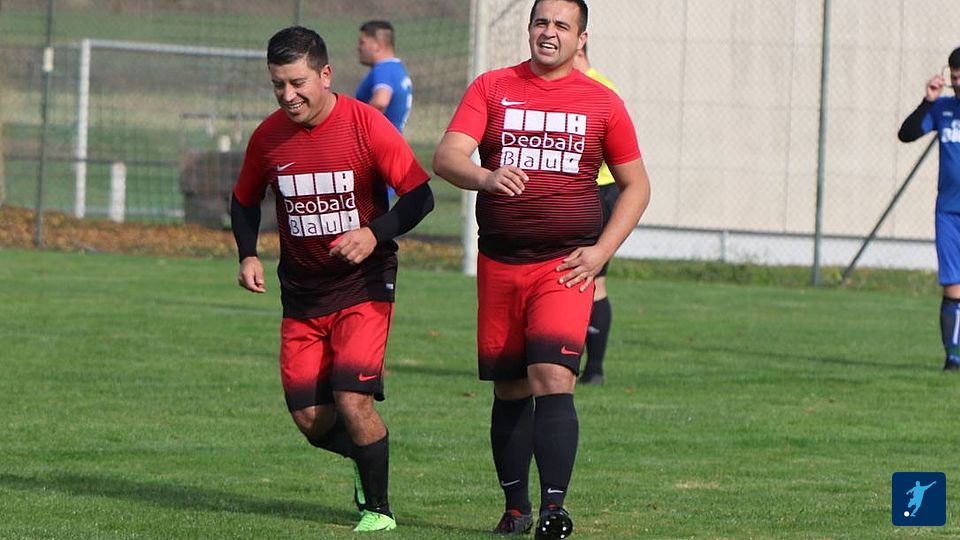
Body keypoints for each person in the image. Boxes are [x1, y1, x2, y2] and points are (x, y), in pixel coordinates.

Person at [432, 1, 651, 538]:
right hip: (500, 264)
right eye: (541, 23)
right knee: (510, 388)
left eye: (561, 26)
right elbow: (448, 156)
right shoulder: (491, 88)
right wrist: (485, 178)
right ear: (530, 29)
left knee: (552, 377)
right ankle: (516, 508)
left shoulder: (603, 102)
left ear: (581, 39)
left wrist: (600, 252)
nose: (549, 33)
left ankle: (554, 509)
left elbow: (636, 186)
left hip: (564, 267)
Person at [230, 26, 434, 533]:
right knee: (310, 420)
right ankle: (369, 459)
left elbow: (419, 196)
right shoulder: (268, 137)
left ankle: (378, 510)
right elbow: (243, 200)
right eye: (278, 84)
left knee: (352, 399)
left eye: (297, 82)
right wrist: (248, 254)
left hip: (364, 283)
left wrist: (373, 233)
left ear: (325, 74)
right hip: (302, 292)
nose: (288, 95)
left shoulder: (366, 126)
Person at [898, 47, 960, 371]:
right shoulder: (943, 108)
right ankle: (953, 357)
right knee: (953, 286)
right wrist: (927, 101)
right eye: (954, 78)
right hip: (948, 212)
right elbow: (906, 134)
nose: (957, 83)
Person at [572, 44, 620, 386]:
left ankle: (594, 368)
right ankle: (563, 361)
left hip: (598, 192)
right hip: (576, 194)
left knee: (592, 280)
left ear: (579, 44)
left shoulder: (600, 88)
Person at [356, 20, 413, 134]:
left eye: (362, 42)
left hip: (377, 141)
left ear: (378, 46)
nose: (358, 48)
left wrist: (355, 126)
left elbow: (380, 102)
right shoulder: (396, 68)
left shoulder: (383, 69)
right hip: (394, 138)